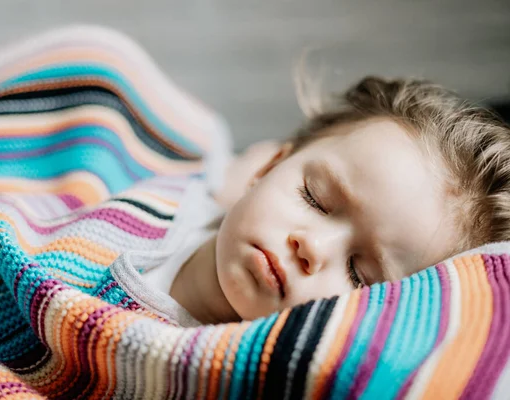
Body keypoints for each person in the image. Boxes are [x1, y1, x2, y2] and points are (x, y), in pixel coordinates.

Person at [151, 76, 510, 324]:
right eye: (314, 199)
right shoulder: (169, 198)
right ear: (270, 167)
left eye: (359, 275)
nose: (312, 246)